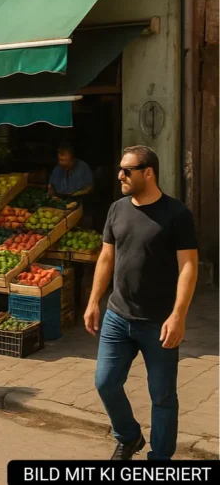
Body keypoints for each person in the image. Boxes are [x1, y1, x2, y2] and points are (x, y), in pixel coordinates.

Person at [85, 145, 198, 461]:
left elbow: (188, 265)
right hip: (118, 316)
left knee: (162, 396)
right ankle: (129, 436)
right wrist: (94, 301)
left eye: (127, 170)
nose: (120, 175)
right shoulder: (117, 209)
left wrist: (178, 315)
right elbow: (107, 256)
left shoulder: (176, 214)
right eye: (120, 168)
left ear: (148, 173)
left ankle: (159, 461)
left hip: (158, 322)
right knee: (105, 382)